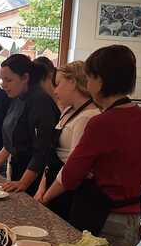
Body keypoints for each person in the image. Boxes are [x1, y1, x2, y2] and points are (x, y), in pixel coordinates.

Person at [57, 45, 141, 246]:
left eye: (89, 79)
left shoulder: (101, 122)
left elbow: (70, 177)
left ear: (100, 80)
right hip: (132, 220)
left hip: (105, 220)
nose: (88, 86)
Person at [34, 61, 100, 220]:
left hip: (68, 193)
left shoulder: (88, 117)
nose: (55, 90)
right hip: (52, 187)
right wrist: (41, 188)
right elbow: (52, 156)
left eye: (58, 84)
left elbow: (73, 167)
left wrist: (46, 197)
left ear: (73, 82)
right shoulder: (68, 111)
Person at [0, 54, 59, 197]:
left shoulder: (40, 102)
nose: (3, 84)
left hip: (37, 177)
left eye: (8, 80)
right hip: (18, 168)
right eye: (2, 80)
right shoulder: (17, 97)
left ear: (25, 78)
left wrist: (23, 183)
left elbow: (42, 150)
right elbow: (12, 139)